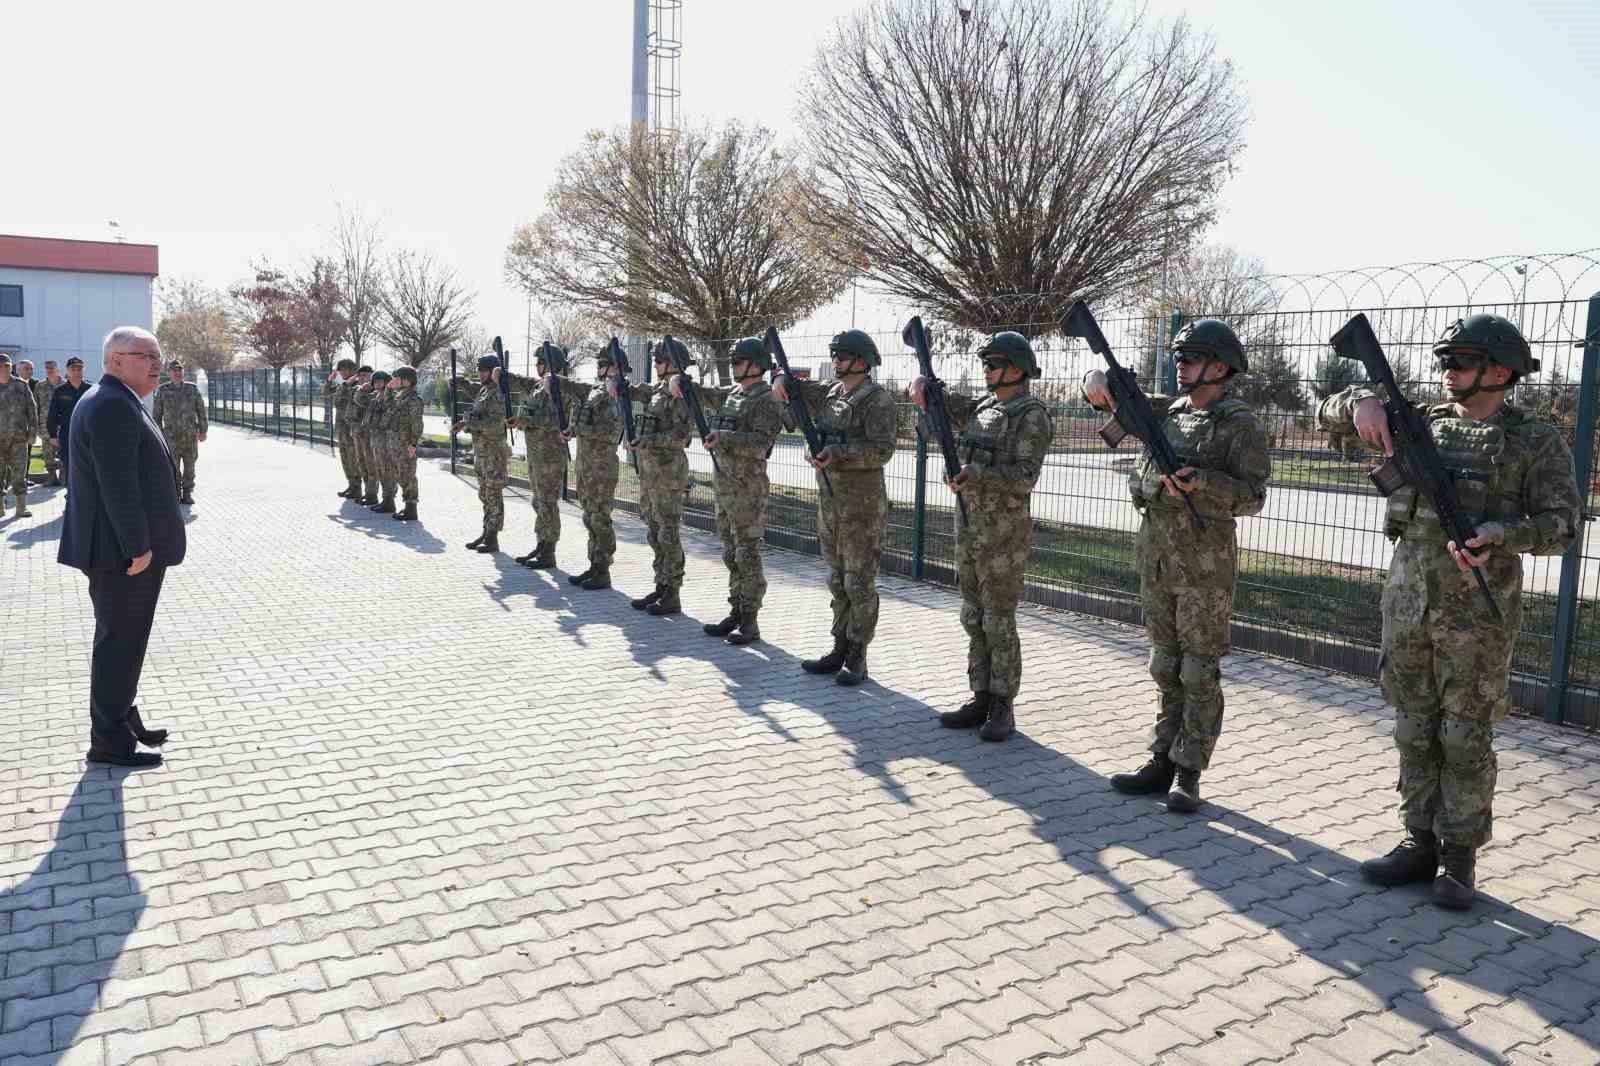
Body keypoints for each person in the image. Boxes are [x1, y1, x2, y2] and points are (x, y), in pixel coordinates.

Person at [1320, 313, 1579, 910]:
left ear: (1500, 372)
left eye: (1460, 362)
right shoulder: (1416, 425)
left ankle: (1458, 858)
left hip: (1477, 618)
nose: (1448, 372)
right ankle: (1418, 843)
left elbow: (1562, 525)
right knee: (1413, 725)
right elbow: (1326, 414)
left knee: (1464, 735)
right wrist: (1360, 402)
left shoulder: (1534, 439)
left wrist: (1502, 532)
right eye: (1445, 362)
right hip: (1409, 603)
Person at [1083, 319, 1270, 813]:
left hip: (1204, 564)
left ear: (1220, 366)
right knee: (1164, 663)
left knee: (1198, 669)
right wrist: (1098, 381)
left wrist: (1202, 482)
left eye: (1189, 359)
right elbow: (1102, 397)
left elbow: (1253, 495)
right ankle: (1161, 757)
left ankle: (1189, 770)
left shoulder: (1240, 423)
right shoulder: (1163, 412)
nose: (1179, 366)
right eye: (1178, 358)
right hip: (1157, 556)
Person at [910, 332, 1053, 741]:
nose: (986, 370)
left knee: (998, 619)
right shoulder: (985, 406)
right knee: (973, 615)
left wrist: (979, 475)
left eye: (993, 364)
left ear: (1017, 369)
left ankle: (1003, 705)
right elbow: (940, 405)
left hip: (1003, 533)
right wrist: (923, 388)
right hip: (969, 524)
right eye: (985, 364)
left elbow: (1025, 477)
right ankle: (980, 695)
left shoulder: (1031, 414)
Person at [57, 327, 185, 768]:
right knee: (119, 642)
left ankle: (122, 715)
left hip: (121, 549)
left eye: (158, 356)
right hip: (122, 554)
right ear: (115, 360)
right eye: (144, 355)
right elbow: (119, 486)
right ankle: (108, 740)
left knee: (128, 640)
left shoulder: (117, 399)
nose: (156, 364)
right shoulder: (112, 405)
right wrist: (138, 547)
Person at [772, 330, 897, 686]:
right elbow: (794, 390)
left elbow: (882, 450)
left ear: (861, 361)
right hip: (830, 501)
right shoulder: (833, 393)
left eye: (841, 357)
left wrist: (839, 453)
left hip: (861, 505)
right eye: (835, 356)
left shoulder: (877, 400)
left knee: (859, 581)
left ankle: (858, 653)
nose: (836, 362)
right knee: (837, 578)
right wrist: (781, 377)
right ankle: (839, 645)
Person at [682, 336, 783, 645]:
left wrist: (723, 437)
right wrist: (685, 383)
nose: (734, 366)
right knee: (730, 552)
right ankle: (736, 610)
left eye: (739, 361)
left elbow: (760, 444)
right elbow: (709, 394)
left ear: (756, 366)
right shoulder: (735, 393)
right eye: (733, 361)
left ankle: (750, 621)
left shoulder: (766, 399)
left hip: (747, 488)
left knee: (747, 553)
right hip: (725, 485)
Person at [612, 338, 694, 615]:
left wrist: (647, 440)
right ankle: (660, 584)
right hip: (650, 472)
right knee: (654, 531)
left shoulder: (681, 390)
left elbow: (681, 436)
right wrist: (622, 387)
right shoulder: (660, 389)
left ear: (671, 362)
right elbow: (639, 391)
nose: (655, 365)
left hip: (668, 472)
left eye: (659, 361)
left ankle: (673, 591)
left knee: (668, 532)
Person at [553, 345, 622, 590]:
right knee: (590, 517)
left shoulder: (616, 392)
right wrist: (573, 429)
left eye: (603, 364)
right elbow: (583, 420)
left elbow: (611, 432)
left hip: (601, 468)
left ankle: (603, 570)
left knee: (600, 519)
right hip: (586, 465)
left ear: (614, 367)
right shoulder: (595, 391)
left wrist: (582, 430)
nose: (598, 368)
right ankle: (594, 565)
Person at [511, 342, 573, 569]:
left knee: (548, 502)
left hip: (550, 455)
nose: (536, 366)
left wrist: (525, 420)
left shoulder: (560, 389)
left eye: (541, 362)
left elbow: (555, 420)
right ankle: (541, 543)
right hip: (536, 454)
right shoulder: (539, 387)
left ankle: (549, 551)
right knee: (538, 501)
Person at [453, 354, 511, 552]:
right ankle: (487, 531)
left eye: (484, 370)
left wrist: (469, 424)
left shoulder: (498, 393)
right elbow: (479, 417)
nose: (480, 373)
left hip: (493, 452)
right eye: (479, 370)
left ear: (493, 372)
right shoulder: (485, 391)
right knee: (485, 493)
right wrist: (465, 423)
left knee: (493, 493)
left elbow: (494, 425)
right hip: (482, 451)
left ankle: (493, 537)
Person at [151, 360, 207, 504]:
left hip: (190, 437)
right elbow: (156, 415)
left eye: (180, 370)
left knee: (190, 468)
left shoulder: (192, 389)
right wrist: (159, 435)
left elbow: (201, 411)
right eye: (174, 370)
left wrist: (203, 430)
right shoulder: (162, 391)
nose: (177, 373)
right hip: (171, 438)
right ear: (169, 373)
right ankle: (175, 494)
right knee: (173, 469)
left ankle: (187, 494)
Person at [0, 354, 38, 519]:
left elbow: (32, 410)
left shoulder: (21, 386)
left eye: (7, 366)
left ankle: (21, 507)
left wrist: (33, 433)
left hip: (19, 439)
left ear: (11, 367)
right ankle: (0, 508)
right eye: (1, 366)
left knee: (19, 474)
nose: (4, 369)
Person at [386, 366, 424, 521]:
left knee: (408, 475)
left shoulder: (413, 399)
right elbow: (387, 405)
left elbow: (417, 424)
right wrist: (388, 389)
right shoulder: (400, 396)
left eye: (398, 378)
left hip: (406, 444)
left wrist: (413, 444)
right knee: (401, 475)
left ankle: (411, 508)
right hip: (396, 443)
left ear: (407, 381)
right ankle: (407, 507)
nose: (395, 381)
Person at [323, 358, 364, 498]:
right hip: (341, 428)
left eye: (346, 369)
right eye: (341, 370)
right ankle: (351, 485)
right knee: (345, 457)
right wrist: (329, 380)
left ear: (352, 370)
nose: (343, 372)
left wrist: (347, 384)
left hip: (352, 428)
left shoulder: (357, 386)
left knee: (354, 457)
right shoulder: (343, 385)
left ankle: (357, 487)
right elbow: (326, 393)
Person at [48, 356, 91, 488]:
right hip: (67, 433)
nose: (77, 372)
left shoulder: (91, 389)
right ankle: (71, 501)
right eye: (73, 369)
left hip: (87, 434)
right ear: (67, 371)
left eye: (80, 368)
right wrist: (53, 435)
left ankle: (88, 500)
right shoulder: (60, 391)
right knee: (69, 466)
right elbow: (52, 415)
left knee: (89, 466)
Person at [349, 367, 381, 506]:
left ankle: (372, 494)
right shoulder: (357, 389)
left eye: (365, 375)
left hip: (370, 433)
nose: (361, 378)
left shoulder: (376, 393)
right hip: (358, 431)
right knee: (362, 463)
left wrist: (362, 390)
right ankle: (368, 492)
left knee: (371, 464)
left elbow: (362, 401)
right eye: (359, 375)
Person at [365, 371, 396, 513]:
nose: (377, 383)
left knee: (387, 470)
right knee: (380, 470)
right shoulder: (376, 397)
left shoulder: (391, 397)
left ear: (387, 382)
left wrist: (389, 389)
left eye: (380, 381)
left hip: (386, 440)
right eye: (375, 381)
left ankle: (389, 500)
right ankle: (385, 500)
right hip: (376, 439)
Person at [15, 359, 47, 487]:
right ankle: (8, 480)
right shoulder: (11, 383)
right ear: (19, 370)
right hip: (12, 425)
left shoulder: (36, 384)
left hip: (29, 425)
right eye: (26, 368)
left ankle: (25, 477)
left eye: (31, 368)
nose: (30, 371)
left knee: (27, 452)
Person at [36, 360, 63, 484]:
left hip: (62, 425)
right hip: (45, 426)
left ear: (57, 369)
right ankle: (51, 476)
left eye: (52, 367)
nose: (49, 370)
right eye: (47, 368)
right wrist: (36, 427)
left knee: (64, 452)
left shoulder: (65, 385)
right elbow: (36, 406)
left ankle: (63, 475)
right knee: (47, 454)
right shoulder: (40, 386)